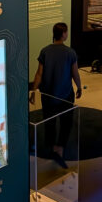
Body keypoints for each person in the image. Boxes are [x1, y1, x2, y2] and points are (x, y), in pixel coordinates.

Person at [29, 22, 82, 169]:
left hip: (48, 95)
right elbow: (75, 73)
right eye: (66, 32)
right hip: (65, 95)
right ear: (64, 34)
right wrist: (79, 87)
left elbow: (39, 73)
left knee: (49, 123)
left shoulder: (45, 51)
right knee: (66, 123)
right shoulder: (70, 52)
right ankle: (60, 149)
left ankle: (52, 148)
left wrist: (33, 90)